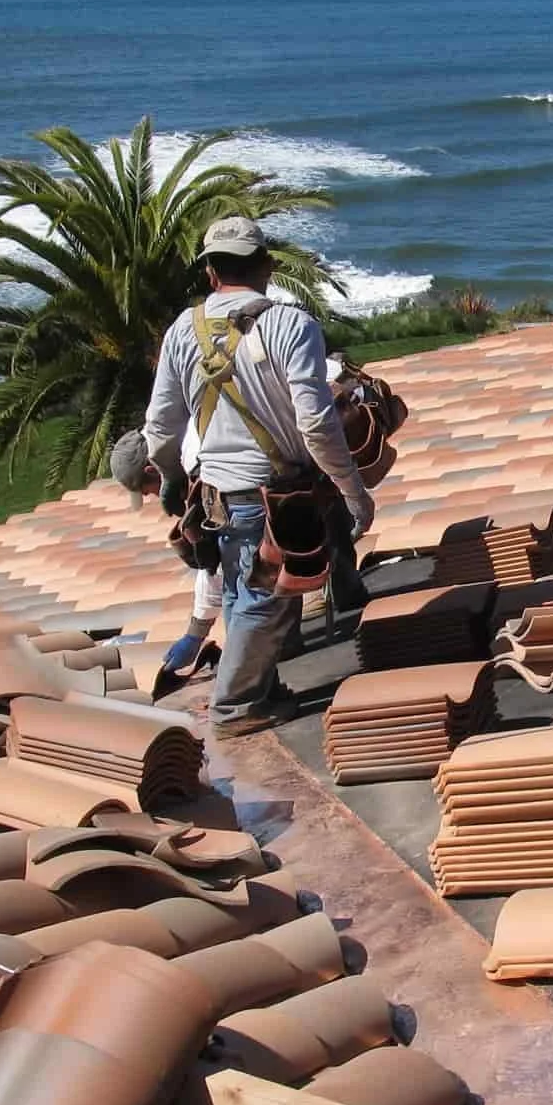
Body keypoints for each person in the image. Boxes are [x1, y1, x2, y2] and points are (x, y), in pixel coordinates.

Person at [141, 216, 375, 735]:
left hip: (220, 494)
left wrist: (173, 481)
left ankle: (262, 690)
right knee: (262, 600)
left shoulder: (184, 330)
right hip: (278, 493)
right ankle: (235, 706)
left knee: (240, 591)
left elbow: (159, 427)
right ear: (267, 265)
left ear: (210, 273)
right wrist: (352, 490)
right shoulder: (292, 325)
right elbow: (315, 423)